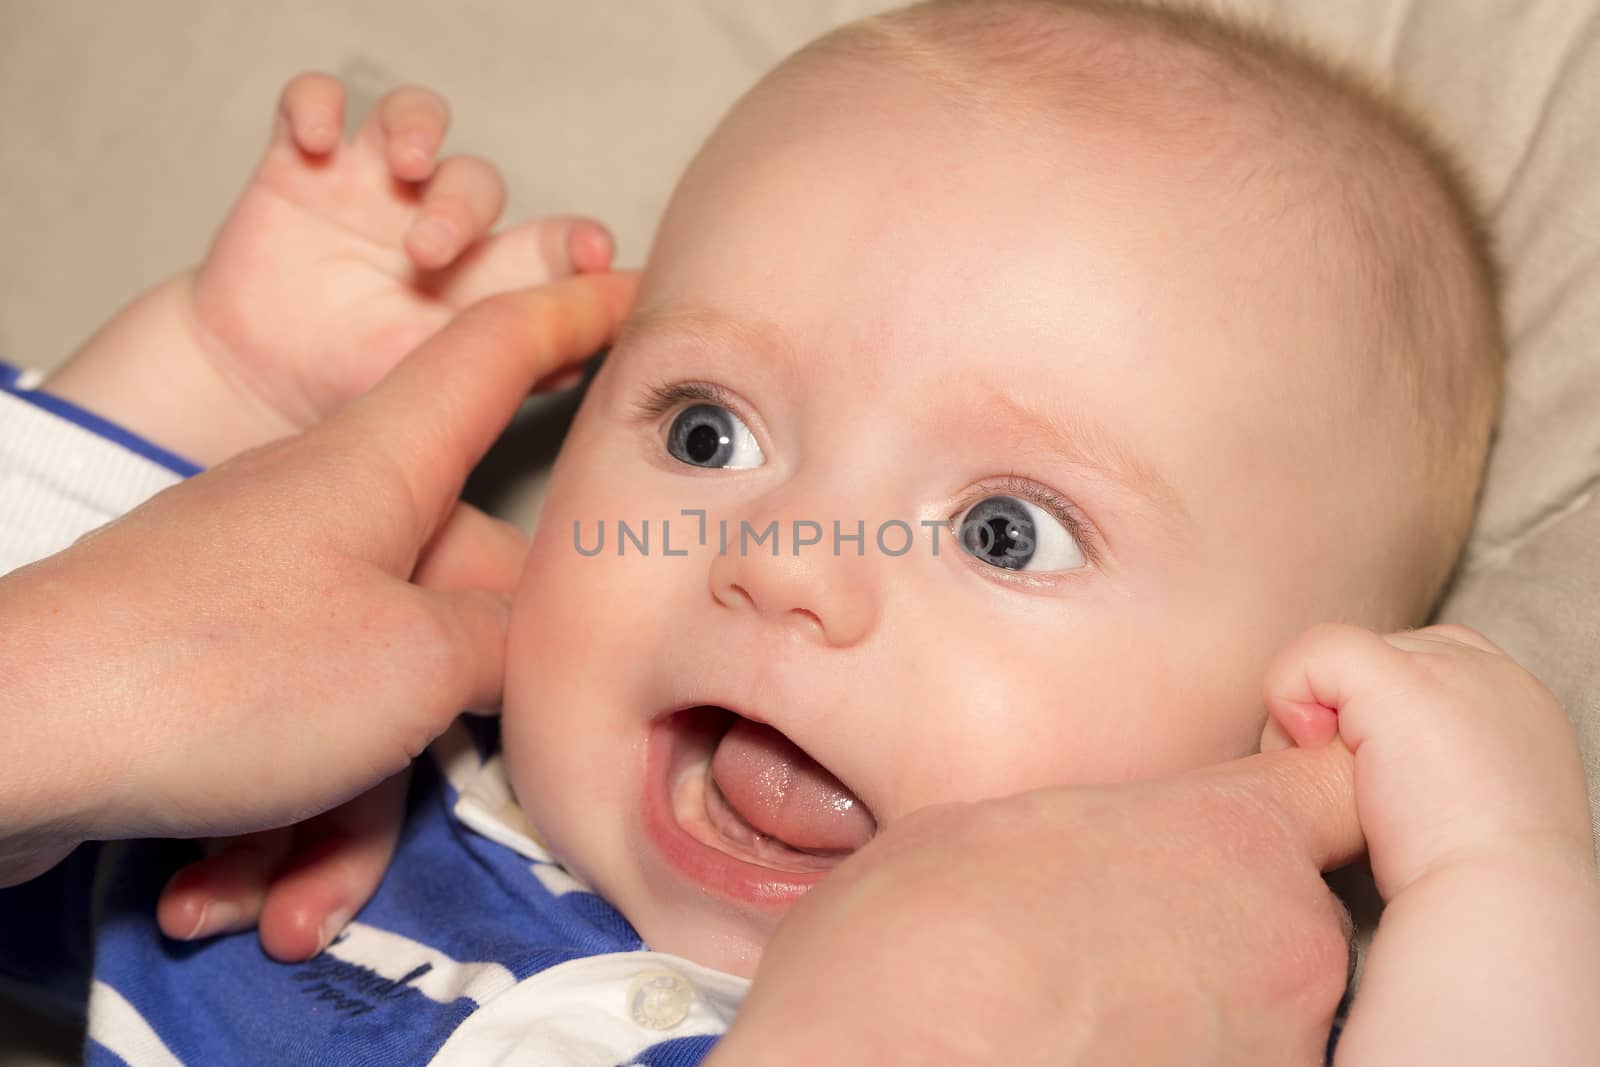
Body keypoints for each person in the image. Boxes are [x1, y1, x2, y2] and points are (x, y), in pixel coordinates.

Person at [3, 0, 1597, 1063]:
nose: (783, 561)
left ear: (1282, 749)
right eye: (711, 433)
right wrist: (204, 380)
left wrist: (1496, 880)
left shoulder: (1171, 1014)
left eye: (1003, 532)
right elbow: (88, 678)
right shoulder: (311, 827)